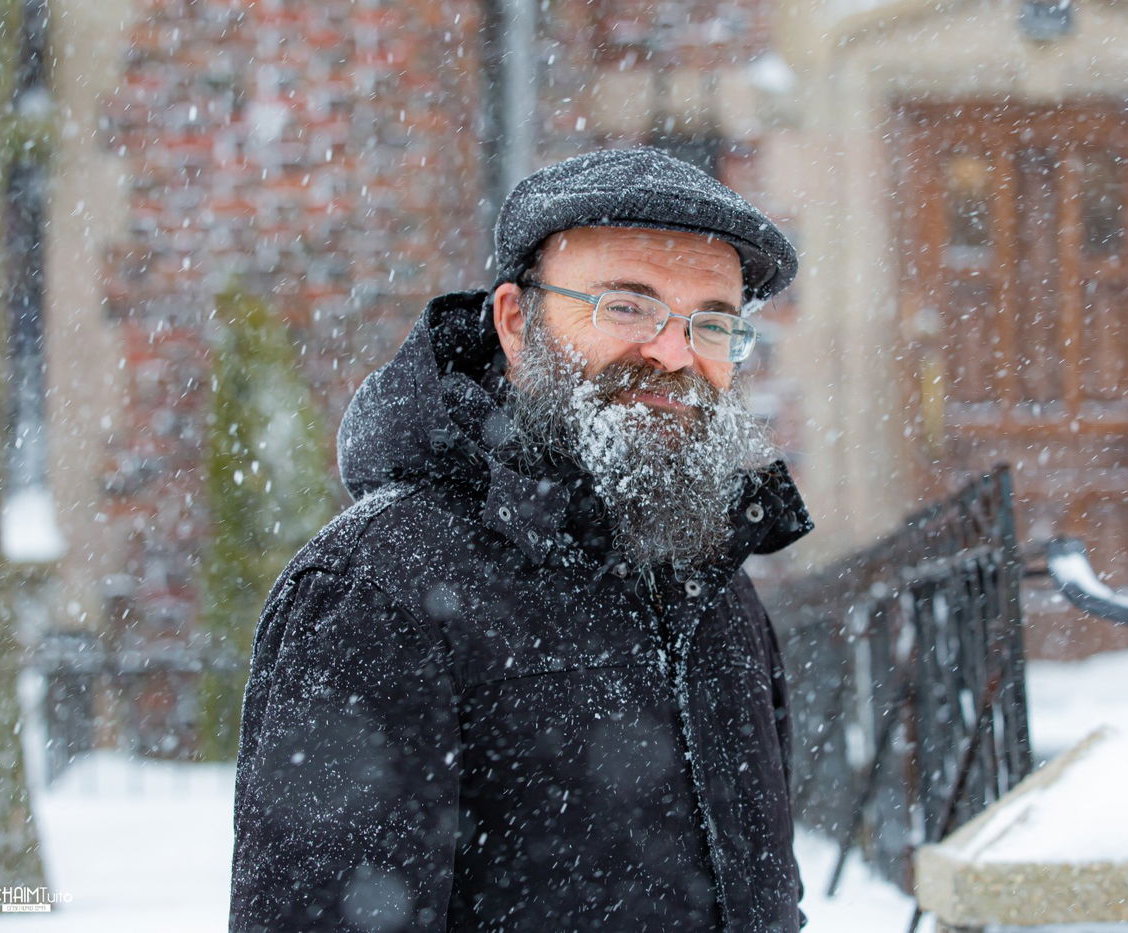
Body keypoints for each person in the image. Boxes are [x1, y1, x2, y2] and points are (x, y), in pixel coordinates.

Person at [229, 148, 813, 932]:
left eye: (711, 322)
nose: (674, 353)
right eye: (627, 306)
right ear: (514, 320)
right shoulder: (379, 593)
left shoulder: (714, 589)